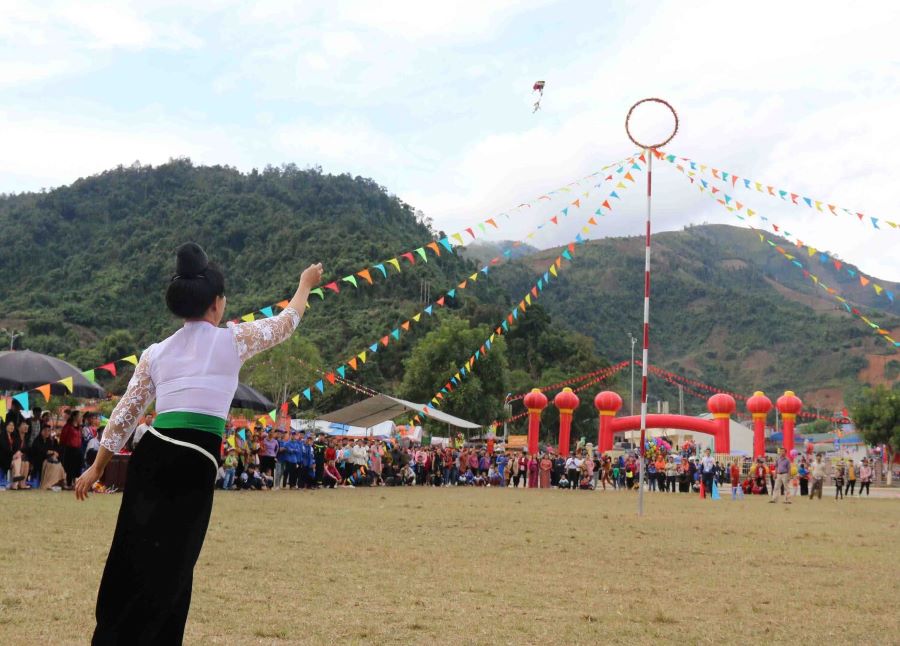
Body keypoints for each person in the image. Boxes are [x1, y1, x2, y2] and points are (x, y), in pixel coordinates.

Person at [72, 242, 323, 644]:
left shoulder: (156, 352)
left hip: (151, 455)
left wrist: (98, 465)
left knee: (133, 555)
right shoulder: (233, 340)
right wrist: (305, 284)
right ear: (217, 304)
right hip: (195, 462)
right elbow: (286, 322)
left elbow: (126, 413)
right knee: (175, 564)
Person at [59, 410, 83, 489]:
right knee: (70, 468)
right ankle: (69, 484)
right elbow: (62, 439)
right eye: (79, 416)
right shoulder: (68, 427)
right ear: (74, 417)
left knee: (77, 467)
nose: (81, 418)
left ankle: (75, 483)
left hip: (78, 449)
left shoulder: (79, 427)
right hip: (70, 449)